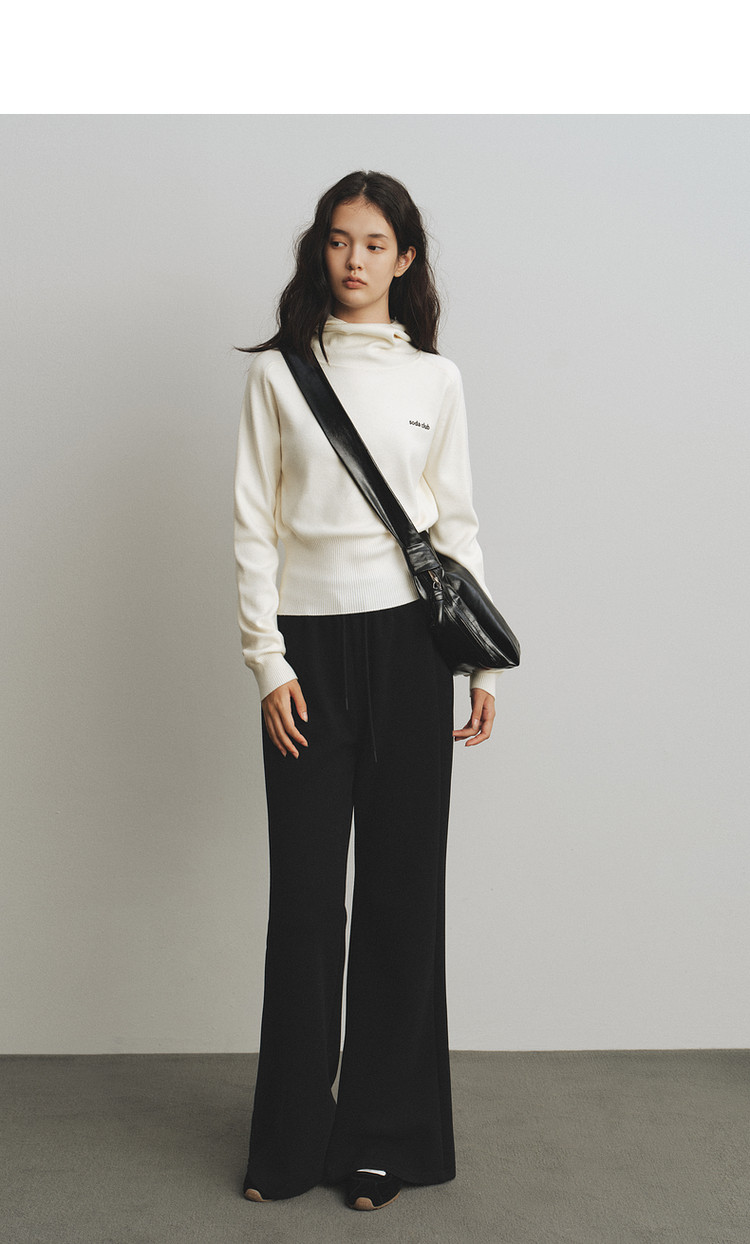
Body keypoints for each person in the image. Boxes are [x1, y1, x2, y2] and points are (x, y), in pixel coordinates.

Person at [232, 169, 502, 1213]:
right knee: (305, 904)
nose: (355, 259)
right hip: (307, 649)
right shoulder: (279, 376)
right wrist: (269, 660)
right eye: (340, 241)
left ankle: (383, 1138)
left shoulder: (437, 379)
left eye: (375, 243)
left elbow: (456, 524)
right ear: (322, 250)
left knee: (400, 895)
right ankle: (290, 1141)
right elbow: (254, 524)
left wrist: (477, 665)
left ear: (405, 258)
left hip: (410, 653)